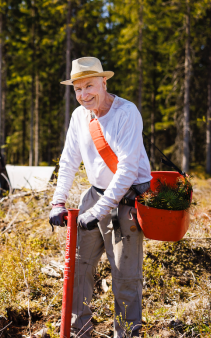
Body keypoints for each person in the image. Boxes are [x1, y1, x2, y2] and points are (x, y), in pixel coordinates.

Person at [49, 57, 152, 338]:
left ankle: (127, 334)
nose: (84, 94)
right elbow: (68, 161)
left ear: (104, 83)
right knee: (78, 268)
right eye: (78, 89)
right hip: (95, 194)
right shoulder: (79, 116)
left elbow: (128, 169)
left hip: (127, 200)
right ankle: (79, 330)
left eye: (90, 86)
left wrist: (101, 211)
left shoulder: (126, 113)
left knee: (125, 277)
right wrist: (59, 201)